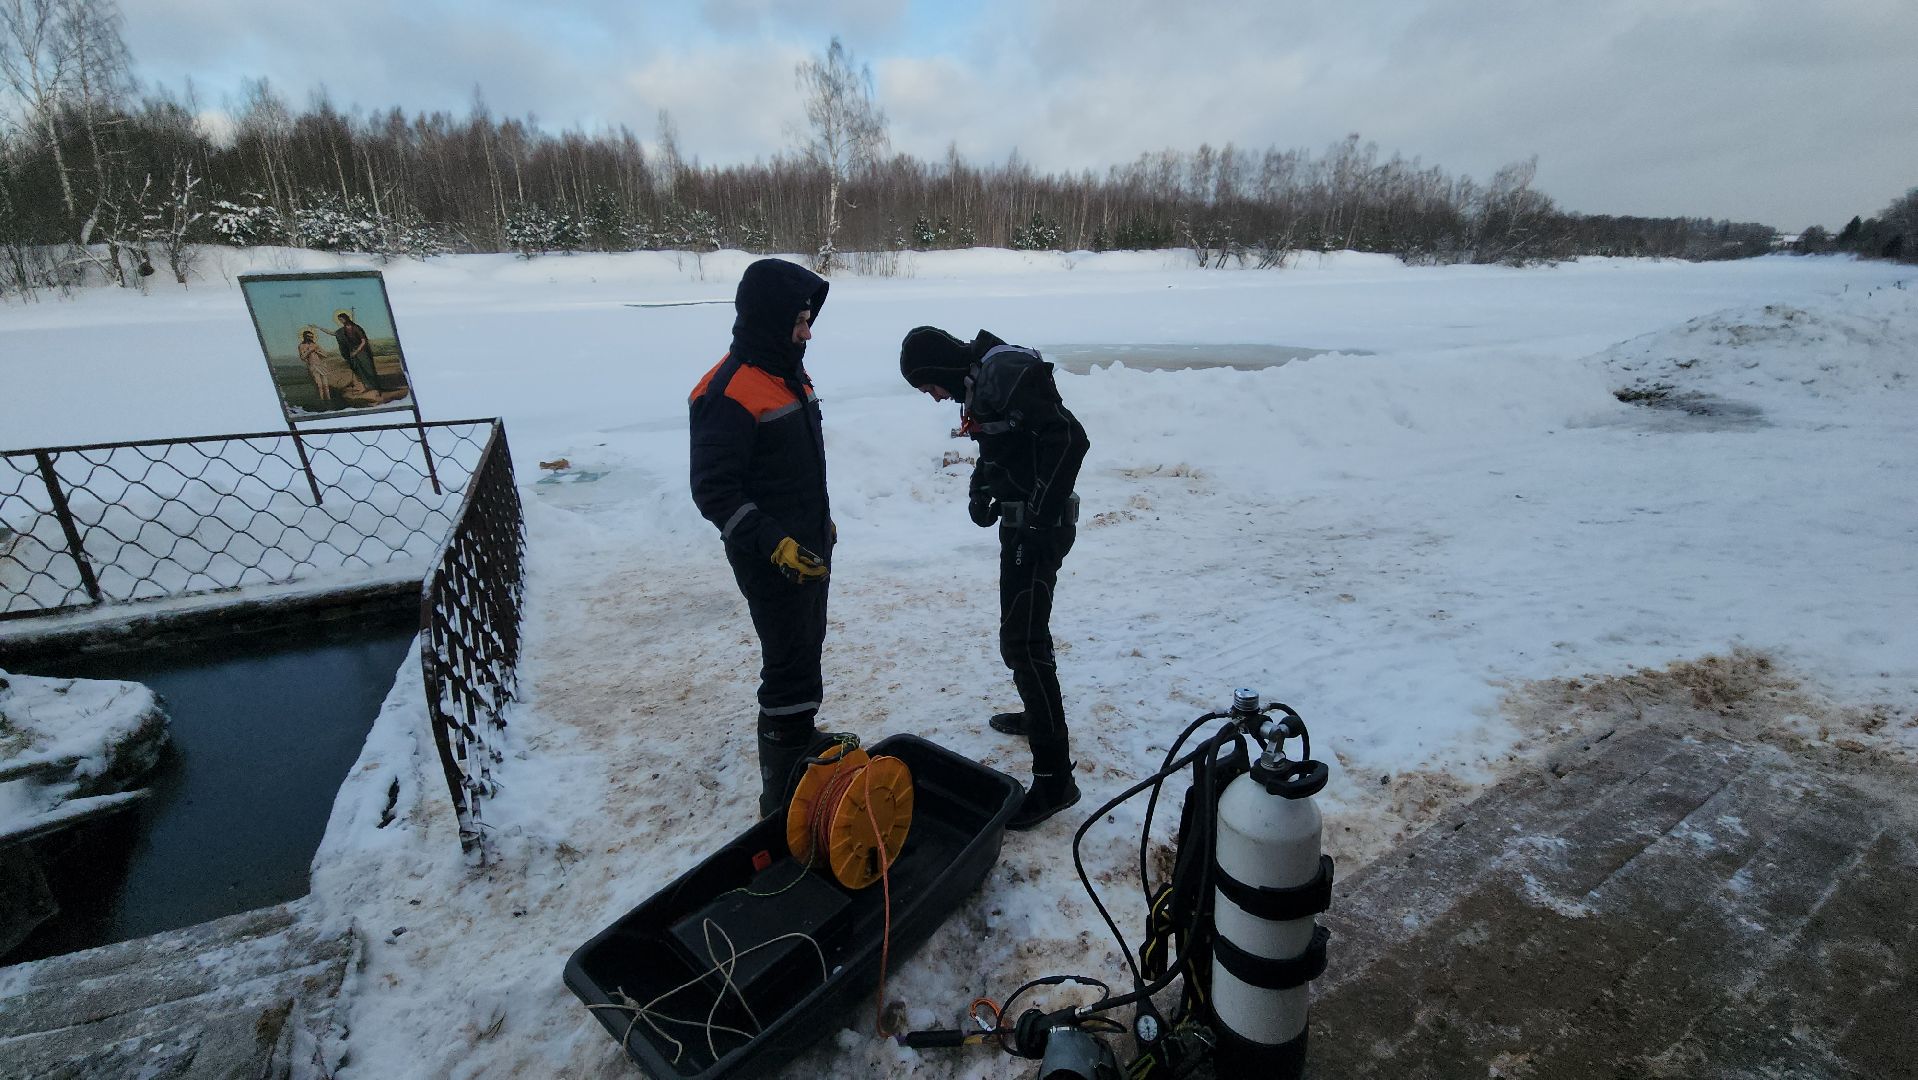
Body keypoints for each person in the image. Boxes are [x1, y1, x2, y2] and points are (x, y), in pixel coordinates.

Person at [900, 326, 1091, 829]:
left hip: (1039, 530)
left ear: (937, 370)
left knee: (1023, 642)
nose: (934, 397)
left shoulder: (1004, 375)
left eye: (927, 387)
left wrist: (1037, 515)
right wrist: (981, 488)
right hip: (1021, 525)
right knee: (1021, 637)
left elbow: (1070, 439)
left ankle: (1055, 781)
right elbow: (1003, 441)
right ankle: (1037, 716)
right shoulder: (982, 382)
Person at [690, 258, 837, 818]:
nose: (808, 331)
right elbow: (713, 490)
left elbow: (795, 467)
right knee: (787, 661)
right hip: (769, 555)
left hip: (809, 546)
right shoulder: (726, 391)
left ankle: (798, 736)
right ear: (771, 318)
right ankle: (779, 795)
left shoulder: (786, 373)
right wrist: (774, 544)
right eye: (800, 320)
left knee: (806, 647)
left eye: (808, 318)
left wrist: (820, 524)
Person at [297, 329, 404, 407]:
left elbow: (324, 355)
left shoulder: (315, 345)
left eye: (312, 336)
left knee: (325, 385)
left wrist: (317, 351)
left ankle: (329, 402)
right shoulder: (302, 346)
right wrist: (310, 350)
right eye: (309, 336)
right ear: (305, 337)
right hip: (313, 366)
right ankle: (322, 401)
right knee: (320, 385)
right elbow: (302, 357)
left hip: (321, 365)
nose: (311, 338)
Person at [317, 310, 381, 391]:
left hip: (361, 351)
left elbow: (363, 341)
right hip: (353, 352)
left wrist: (356, 351)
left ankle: (376, 387)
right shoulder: (342, 330)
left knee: (367, 368)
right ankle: (367, 386)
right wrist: (319, 328)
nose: (341, 321)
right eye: (339, 320)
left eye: (342, 319)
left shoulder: (356, 328)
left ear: (346, 318)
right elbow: (332, 333)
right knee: (359, 369)